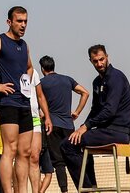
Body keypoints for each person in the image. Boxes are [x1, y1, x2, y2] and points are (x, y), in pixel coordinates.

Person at [0, 6, 51, 193]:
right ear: (9, 22)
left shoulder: (24, 45)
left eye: (25, 21)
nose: (23, 25)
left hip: (25, 103)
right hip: (8, 103)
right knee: (10, 149)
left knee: (25, 153)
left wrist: (26, 77)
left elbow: (30, 67)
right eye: (19, 21)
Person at [61, 45, 130, 190]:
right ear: (90, 61)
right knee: (77, 142)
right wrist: (83, 126)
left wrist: (86, 127)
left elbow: (109, 111)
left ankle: (87, 189)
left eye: (101, 59)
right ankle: (92, 187)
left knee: (67, 145)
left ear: (107, 57)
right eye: (95, 61)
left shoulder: (116, 77)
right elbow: (95, 110)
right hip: (104, 131)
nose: (99, 64)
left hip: (118, 132)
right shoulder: (97, 82)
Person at [39, 55, 90, 193]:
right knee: (74, 158)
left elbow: (39, 103)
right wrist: (77, 112)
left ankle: (64, 191)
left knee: (59, 162)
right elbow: (85, 93)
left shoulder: (41, 83)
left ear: (43, 69)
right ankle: (84, 188)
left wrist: (43, 114)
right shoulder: (68, 80)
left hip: (51, 126)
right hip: (68, 126)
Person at [27, 68, 55, 193]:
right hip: (17, 118)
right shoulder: (6, 71)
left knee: (34, 157)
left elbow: (40, 95)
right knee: (20, 157)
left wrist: (47, 117)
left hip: (34, 119)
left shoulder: (34, 73)